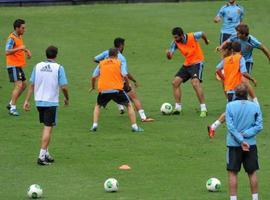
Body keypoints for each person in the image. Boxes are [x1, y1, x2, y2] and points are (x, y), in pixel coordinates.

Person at [23, 46, 69, 166]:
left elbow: (32, 85)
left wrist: (26, 101)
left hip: (39, 101)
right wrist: (67, 98)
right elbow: (64, 86)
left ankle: (46, 153)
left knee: (46, 127)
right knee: (48, 128)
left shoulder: (37, 66)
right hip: (51, 102)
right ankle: (41, 157)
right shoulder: (59, 68)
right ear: (56, 55)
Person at [93, 37, 154, 122]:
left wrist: (105, 65)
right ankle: (143, 117)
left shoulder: (106, 52)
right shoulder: (121, 58)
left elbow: (95, 59)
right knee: (134, 97)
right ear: (121, 46)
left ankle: (119, 106)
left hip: (106, 82)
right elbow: (124, 73)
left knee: (107, 98)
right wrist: (132, 82)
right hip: (119, 81)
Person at [208, 42, 256, 138]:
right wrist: (252, 79)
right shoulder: (240, 58)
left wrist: (224, 78)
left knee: (238, 109)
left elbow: (217, 69)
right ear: (240, 50)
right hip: (237, 90)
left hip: (229, 89)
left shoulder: (226, 60)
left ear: (232, 50)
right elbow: (244, 72)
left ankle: (215, 127)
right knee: (233, 111)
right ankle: (214, 127)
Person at [90, 48, 143, 132]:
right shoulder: (119, 63)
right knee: (129, 105)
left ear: (108, 55)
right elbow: (125, 75)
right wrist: (127, 85)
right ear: (116, 55)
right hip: (117, 90)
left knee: (97, 106)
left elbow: (93, 77)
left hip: (103, 90)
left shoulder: (101, 63)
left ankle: (94, 125)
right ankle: (134, 127)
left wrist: (93, 87)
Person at [225, 83, 263, 200]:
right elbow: (259, 126)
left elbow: (230, 127)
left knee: (232, 173)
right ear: (247, 94)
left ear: (235, 94)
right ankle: (255, 198)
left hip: (233, 145)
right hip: (250, 144)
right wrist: (246, 135)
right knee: (252, 172)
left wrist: (240, 139)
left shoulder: (230, 106)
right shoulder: (255, 106)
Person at [218, 24, 270, 104]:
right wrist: (221, 47)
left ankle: (255, 102)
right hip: (235, 61)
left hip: (246, 61)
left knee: (245, 81)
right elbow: (227, 42)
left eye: (238, 33)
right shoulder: (235, 36)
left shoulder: (252, 41)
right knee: (226, 81)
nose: (236, 34)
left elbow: (263, 48)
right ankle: (230, 101)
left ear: (244, 34)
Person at [166, 27, 209, 117]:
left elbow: (202, 33)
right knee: (175, 83)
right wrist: (168, 55)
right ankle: (178, 108)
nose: (175, 39)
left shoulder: (192, 36)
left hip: (197, 62)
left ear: (182, 35)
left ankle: (203, 108)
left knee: (195, 83)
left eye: (176, 37)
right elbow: (170, 56)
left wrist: (206, 41)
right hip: (187, 64)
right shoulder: (175, 43)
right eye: (174, 37)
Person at [6, 19, 31, 116]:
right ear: (17, 28)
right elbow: (7, 51)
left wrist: (26, 51)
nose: (24, 30)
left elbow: (20, 47)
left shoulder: (19, 36)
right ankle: (13, 108)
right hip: (13, 65)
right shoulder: (11, 38)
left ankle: (11, 103)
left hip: (18, 65)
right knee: (19, 85)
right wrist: (21, 48)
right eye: (23, 28)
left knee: (24, 85)